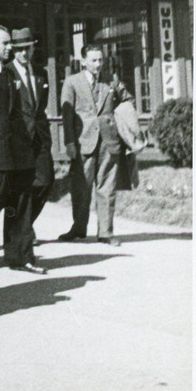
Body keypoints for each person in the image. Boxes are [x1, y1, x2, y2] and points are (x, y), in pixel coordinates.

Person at [0, 25, 43, 274]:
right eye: (5, 43)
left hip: (18, 152)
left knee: (20, 204)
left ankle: (20, 256)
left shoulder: (8, 73)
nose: (9, 47)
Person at [59, 44, 133, 246]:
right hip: (83, 142)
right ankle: (79, 228)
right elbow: (67, 115)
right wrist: (69, 142)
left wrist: (121, 120)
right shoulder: (72, 82)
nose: (98, 64)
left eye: (100, 60)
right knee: (81, 188)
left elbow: (127, 100)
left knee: (107, 188)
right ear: (83, 61)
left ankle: (106, 233)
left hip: (109, 142)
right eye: (93, 60)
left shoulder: (111, 79)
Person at [9, 27, 55, 233]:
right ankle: (21, 230)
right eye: (19, 49)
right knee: (20, 186)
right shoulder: (7, 72)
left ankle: (26, 224)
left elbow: (41, 106)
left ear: (32, 49)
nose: (23, 54)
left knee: (46, 181)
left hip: (40, 136)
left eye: (27, 49)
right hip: (18, 138)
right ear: (13, 50)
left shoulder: (41, 72)